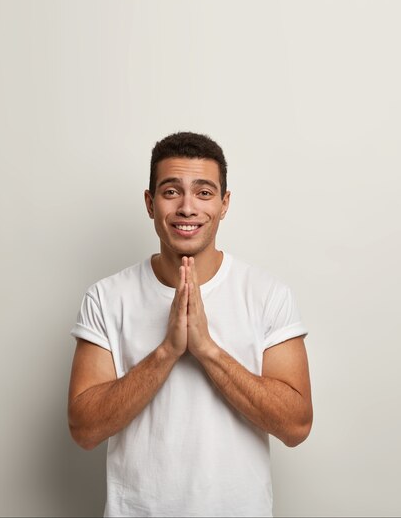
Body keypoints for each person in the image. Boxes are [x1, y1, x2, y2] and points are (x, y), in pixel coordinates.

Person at [67, 131, 312, 517]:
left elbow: (296, 426)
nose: (187, 207)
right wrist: (166, 352)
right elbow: (84, 430)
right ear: (150, 203)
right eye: (170, 192)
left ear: (224, 203)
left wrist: (207, 350)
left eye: (203, 192)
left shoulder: (268, 294)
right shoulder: (106, 297)